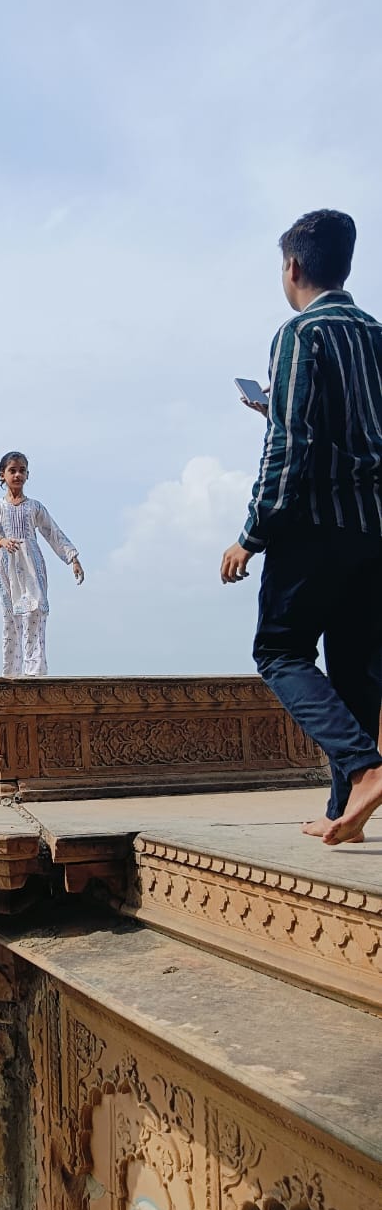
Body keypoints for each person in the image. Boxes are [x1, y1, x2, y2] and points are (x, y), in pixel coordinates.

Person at [220, 209, 382, 845]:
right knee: (353, 669)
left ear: (291, 267)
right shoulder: (376, 335)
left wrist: (251, 535)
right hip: (373, 529)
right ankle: (348, 811)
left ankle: (366, 769)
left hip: (314, 526)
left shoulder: (299, 334)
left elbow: (291, 445)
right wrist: (277, 408)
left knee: (280, 651)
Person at [0, 451, 84, 677]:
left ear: (28, 474)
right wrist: (2, 541)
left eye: (22, 471)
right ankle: (11, 673)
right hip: (8, 565)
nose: (17, 475)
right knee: (11, 617)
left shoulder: (34, 507)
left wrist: (73, 558)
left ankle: (34, 672)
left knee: (35, 612)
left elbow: (52, 532)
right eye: (12, 471)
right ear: (2, 475)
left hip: (32, 564)